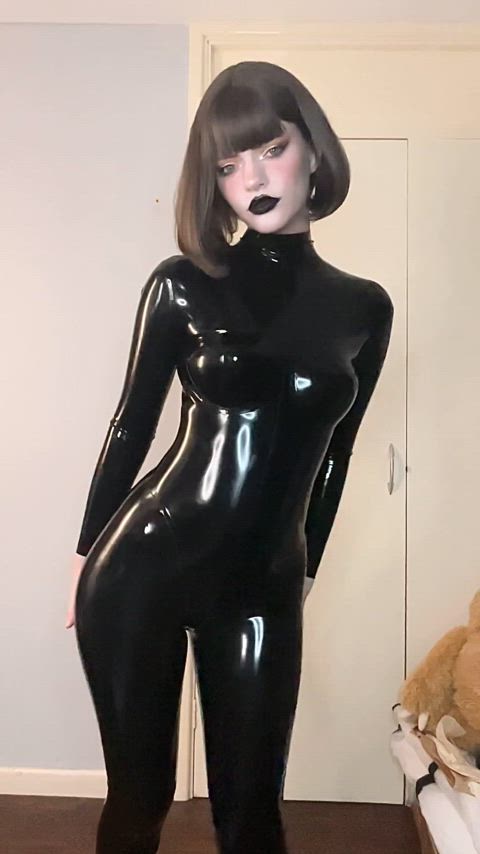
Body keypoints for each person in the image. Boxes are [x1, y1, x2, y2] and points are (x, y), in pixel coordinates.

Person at [66, 60, 394, 854]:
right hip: (142, 566)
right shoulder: (182, 284)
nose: (252, 178)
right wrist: (82, 555)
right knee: (139, 801)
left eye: (271, 150)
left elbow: (337, 452)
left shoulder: (364, 307)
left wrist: (304, 568)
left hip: (263, 586)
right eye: (227, 164)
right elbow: (130, 427)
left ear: (313, 151)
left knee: (251, 818)